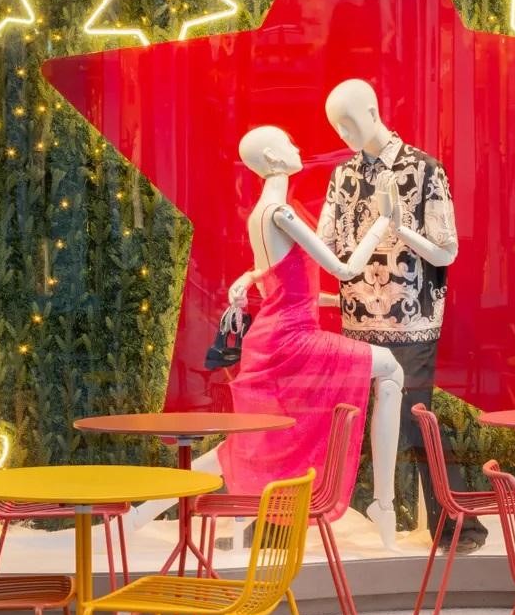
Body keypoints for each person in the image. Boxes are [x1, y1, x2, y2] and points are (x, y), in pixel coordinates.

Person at [127, 124, 404, 549]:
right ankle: (383, 503)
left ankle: (141, 512)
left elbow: (281, 280)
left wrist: (259, 281)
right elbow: (345, 269)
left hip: (277, 336)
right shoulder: (281, 214)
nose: (298, 146)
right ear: (274, 159)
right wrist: (384, 220)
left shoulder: (260, 214)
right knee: (391, 369)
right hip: (292, 342)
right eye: (290, 143)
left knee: (243, 448)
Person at [318, 78, 485, 553]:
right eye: (336, 126)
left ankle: (455, 524)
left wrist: (400, 228)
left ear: (373, 111)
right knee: (355, 421)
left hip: (411, 318)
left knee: (415, 418)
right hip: (357, 319)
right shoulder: (343, 176)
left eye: (349, 122)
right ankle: (354, 511)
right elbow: (328, 244)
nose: (344, 134)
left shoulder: (424, 170)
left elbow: (447, 251)